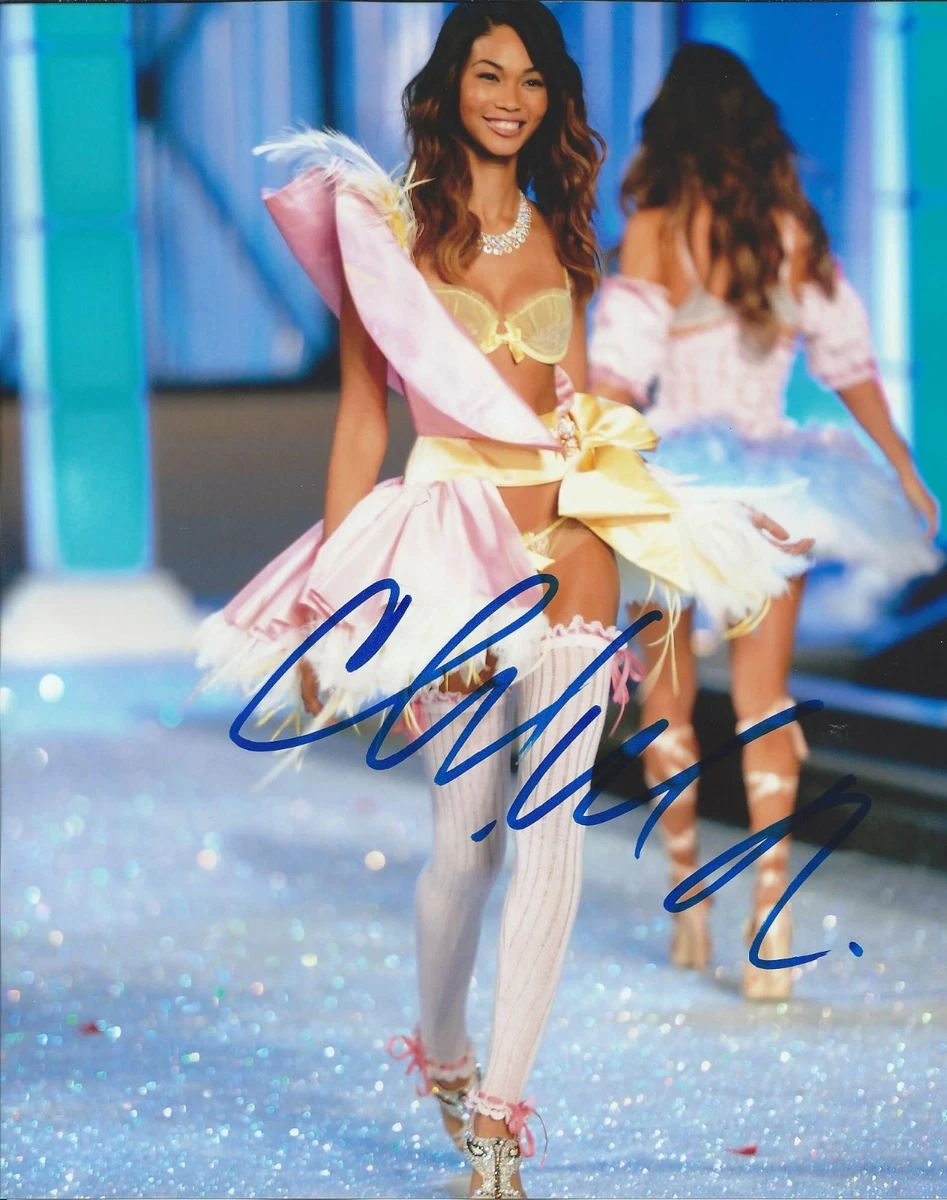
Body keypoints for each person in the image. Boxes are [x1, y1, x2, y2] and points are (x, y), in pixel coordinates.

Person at [195, 8, 811, 1196]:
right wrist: (333, 603)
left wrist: (669, 524)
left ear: (550, 101)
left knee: (549, 831)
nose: (509, 98)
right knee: (462, 844)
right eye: (488, 74)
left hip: (568, 540)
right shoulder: (389, 237)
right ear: (449, 85)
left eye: (531, 81)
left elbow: (582, 412)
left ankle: (497, 1119)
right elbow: (363, 423)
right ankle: (442, 1044)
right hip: (449, 560)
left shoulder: (570, 237)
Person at [589, 41, 941, 1003]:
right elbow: (847, 365)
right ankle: (770, 914)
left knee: (664, 703)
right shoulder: (788, 231)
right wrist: (900, 466)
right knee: (763, 701)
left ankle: (689, 905)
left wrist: (575, 459)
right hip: (774, 488)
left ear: (670, 128)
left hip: (671, 485)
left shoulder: (655, 229)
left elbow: (617, 376)